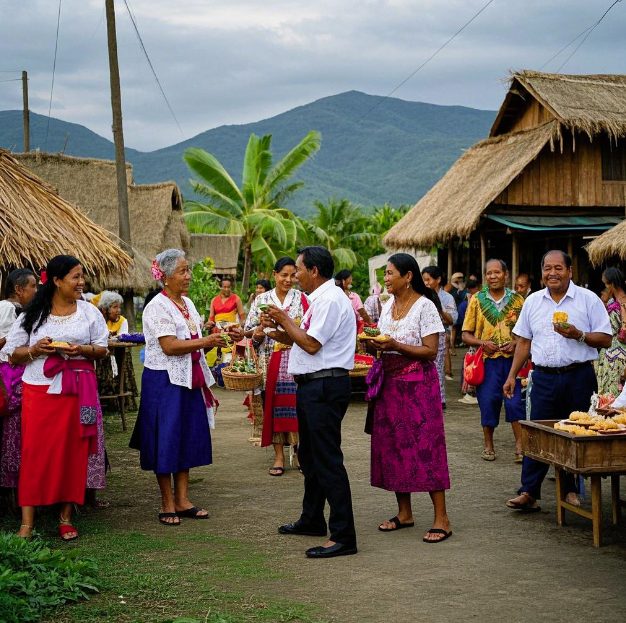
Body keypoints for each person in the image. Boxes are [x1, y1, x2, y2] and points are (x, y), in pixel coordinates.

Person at [1, 255, 109, 540]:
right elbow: (13, 354)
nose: (81, 282)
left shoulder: (89, 312)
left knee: (71, 452)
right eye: (75, 276)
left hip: (78, 390)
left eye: (82, 276)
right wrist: (35, 349)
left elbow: (103, 349)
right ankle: (27, 522)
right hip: (40, 390)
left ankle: (65, 517)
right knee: (35, 452)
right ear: (57, 281)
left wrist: (83, 350)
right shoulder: (32, 314)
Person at [133, 249, 240, 525]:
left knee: (185, 436)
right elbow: (169, 346)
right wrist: (206, 343)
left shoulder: (188, 304)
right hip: (164, 381)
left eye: (188, 270)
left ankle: (183, 500)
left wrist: (217, 335)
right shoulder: (157, 306)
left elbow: (195, 336)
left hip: (189, 378)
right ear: (166, 277)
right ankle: (167, 502)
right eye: (183, 271)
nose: (188, 276)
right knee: (165, 438)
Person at [263, 246, 357, 559]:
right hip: (313, 386)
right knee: (311, 457)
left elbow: (311, 344)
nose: (295, 276)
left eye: (299, 270)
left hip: (324, 385)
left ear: (313, 271)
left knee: (327, 459)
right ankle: (312, 518)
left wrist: (283, 318)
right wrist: (275, 328)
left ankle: (344, 535)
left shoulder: (330, 299)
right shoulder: (319, 300)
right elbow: (298, 338)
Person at [504, 250, 611, 512]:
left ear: (570, 271)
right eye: (547, 268)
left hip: (578, 376)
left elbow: (606, 338)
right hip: (543, 378)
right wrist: (511, 376)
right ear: (542, 273)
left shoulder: (587, 299)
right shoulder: (533, 301)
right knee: (538, 433)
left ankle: (571, 489)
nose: (553, 273)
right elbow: (524, 341)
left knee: (574, 432)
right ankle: (529, 491)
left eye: (559, 268)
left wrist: (579, 335)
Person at [364, 254, 452, 543]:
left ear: (408, 276)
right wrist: (373, 342)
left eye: (390, 273)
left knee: (427, 447)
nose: (386, 279)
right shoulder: (388, 305)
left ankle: (442, 518)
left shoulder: (425, 306)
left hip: (418, 386)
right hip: (389, 385)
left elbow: (430, 350)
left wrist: (395, 345)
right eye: (385, 274)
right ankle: (404, 513)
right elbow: (385, 341)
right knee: (393, 446)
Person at [244, 257, 309, 475]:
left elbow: (309, 331)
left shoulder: (302, 299)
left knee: (298, 407)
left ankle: (300, 454)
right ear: (274, 274)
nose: (289, 280)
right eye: (284, 275)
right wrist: (258, 333)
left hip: (297, 361)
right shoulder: (262, 299)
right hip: (269, 359)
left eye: (293, 275)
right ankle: (279, 456)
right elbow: (250, 333)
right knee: (273, 406)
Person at [462, 260, 526, 462]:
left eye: (496, 272)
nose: (492, 277)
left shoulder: (518, 300)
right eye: (489, 273)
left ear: (505, 274)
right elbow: (465, 334)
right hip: (487, 363)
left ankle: (520, 446)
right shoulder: (477, 300)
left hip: (513, 363)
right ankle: (488, 446)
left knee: (515, 404)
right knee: (488, 402)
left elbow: (527, 334)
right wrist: (482, 343)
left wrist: (516, 343)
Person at [0, 269, 38, 489]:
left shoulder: (24, 311)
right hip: (9, 375)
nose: (36, 290)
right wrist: (14, 337)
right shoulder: (7, 308)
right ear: (18, 289)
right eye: (32, 286)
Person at [95, 290, 138, 412]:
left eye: (119, 307)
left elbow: (122, 336)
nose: (118, 310)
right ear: (105, 309)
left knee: (124, 358)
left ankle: (121, 401)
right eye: (114, 307)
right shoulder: (98, 320)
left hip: (118, 353)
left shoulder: (122, 320)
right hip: (103, 354)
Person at [421, 266, 457, 399]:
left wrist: (439, 309)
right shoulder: (421, 296)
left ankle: (439, 398)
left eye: (429, 280)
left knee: (437, 368)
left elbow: (452, 319)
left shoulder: (447, 298)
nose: (426, 283)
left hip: (440, 335)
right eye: (424, 280)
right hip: (422, 336)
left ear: (438, 280)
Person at [596, 267, 626, 396]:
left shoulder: (618, 303)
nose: (605, 287)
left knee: (613, 391)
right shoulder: (615, 301)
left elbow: (612, 328)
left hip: (616, 352)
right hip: (616, 351)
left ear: (612, 284)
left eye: (606, 284)